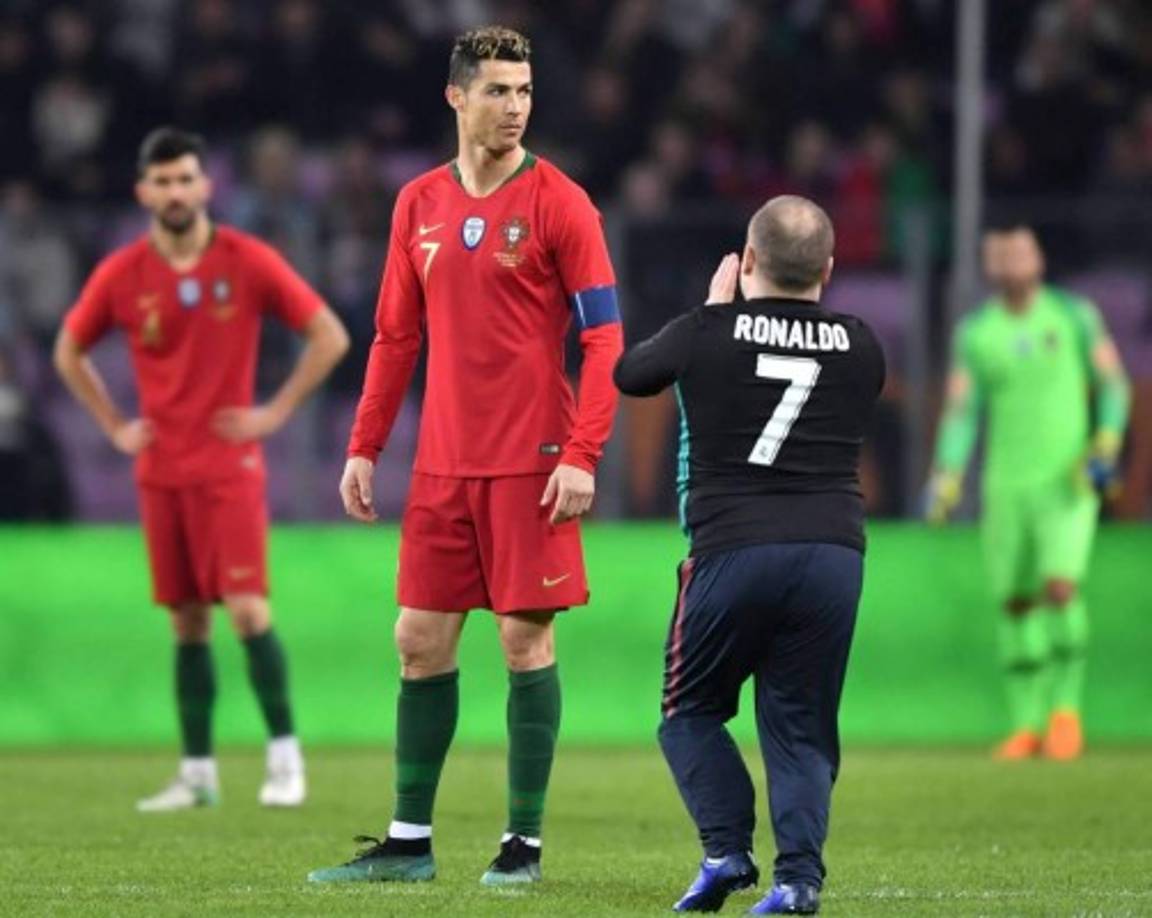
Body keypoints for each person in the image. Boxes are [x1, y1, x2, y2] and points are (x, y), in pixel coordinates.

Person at [308, 26, 623, 886]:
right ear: (456, 96)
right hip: (443, 462)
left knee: (524, 641)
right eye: (497, 91)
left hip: (533, 458)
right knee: (417, 641)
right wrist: (365, 445)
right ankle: (408, 843)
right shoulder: (417, 203)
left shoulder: (562, 202)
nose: (515, 107)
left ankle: (522, 845)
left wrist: (583, 453)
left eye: (524, 91)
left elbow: (605, 340)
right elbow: (394, 336)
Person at [53, 127, 349, 811]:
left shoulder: (246, 260)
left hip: (228, 468)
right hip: (161, 471)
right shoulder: (124, 273)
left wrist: (274, 413)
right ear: (143, 192)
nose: (176, 192)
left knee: (246, 610)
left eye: (186, 179)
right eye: (163, 182)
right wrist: (114, 426)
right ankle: (197, 773)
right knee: (187, 623)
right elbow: (69, 350)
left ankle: (285, 759)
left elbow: (329, 334)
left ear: (206, 186)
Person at [615, 196, 885, 915]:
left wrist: (713, 313)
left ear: (749, 259)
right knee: (800, 727)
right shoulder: (863, 344)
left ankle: (727, 850)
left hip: (732, 547)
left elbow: (631, 374)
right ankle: (797, 881)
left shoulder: (707, 331)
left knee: (690, 712)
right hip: (832, 553)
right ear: (829, 267)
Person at [926, 224, 1129, 761]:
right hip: (1006, 485)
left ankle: (1065, 713)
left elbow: (1113, 385)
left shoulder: (1074, 316)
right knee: (1015, 602)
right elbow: (962, 411)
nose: (1012, 262)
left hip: (1067, 481)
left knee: (1060, 588)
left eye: (1021, 252)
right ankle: (1026, 723)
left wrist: (1106, 442)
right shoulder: (977, 334)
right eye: (1002, 255)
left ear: (1038, 258)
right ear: (990, 267)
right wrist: (947, 474)